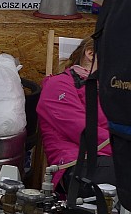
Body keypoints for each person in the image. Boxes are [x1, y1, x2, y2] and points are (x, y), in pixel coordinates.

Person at [36, 36, 113, 192]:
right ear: (90, 53)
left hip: (112, 158)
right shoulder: (58, 85)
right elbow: (83, 132)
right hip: (79, 162)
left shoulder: (112, 90)